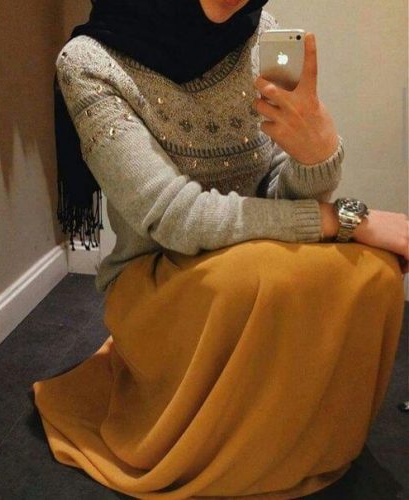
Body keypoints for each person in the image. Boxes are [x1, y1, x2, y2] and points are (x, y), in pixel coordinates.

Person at [33, 1, 408, 498]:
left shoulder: (259, 34)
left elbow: (277, 193)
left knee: (374, 271)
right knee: (265, 277)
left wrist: (317, 156)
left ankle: (298, 441)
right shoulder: (88, 62)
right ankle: (237, 452)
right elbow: (173, 216)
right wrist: (343, 219)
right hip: (158, 275)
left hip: (255, 253)